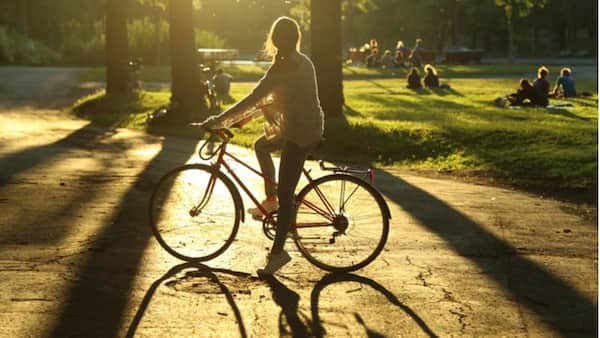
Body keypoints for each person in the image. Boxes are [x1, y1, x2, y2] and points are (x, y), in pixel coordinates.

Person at [199, 16, 324, 275]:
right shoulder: (301, 62)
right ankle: (270, 200)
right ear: (296, 39)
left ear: (275, 40)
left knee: (288, 195)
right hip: (307, 125)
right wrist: (244, 118)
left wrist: (217, 121)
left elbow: (255, 98)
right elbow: (279, 99)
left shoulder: (284, 68)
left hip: (299, 135)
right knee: (261, 146)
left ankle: (278, 254)